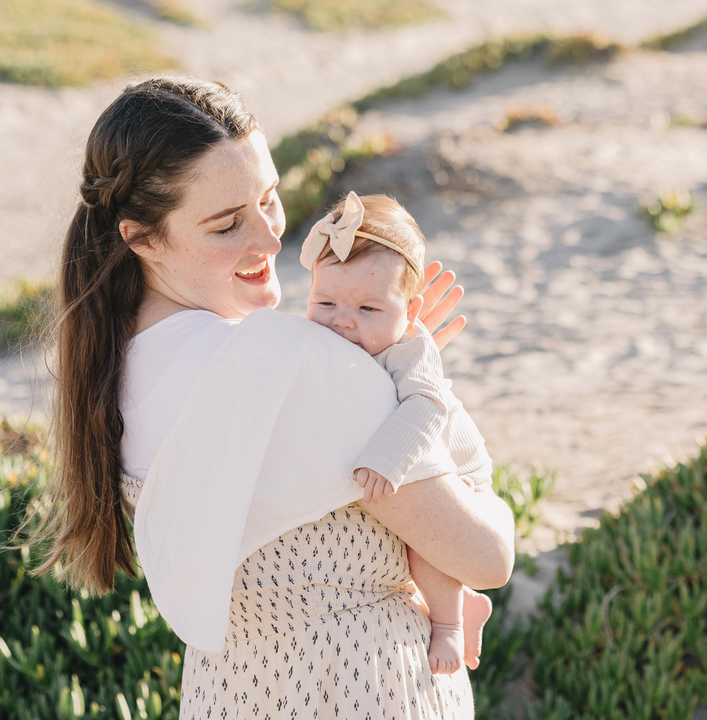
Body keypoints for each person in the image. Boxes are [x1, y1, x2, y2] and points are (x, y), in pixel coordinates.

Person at [25, 76, 515, 720]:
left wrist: (375, 385)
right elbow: (487, 557)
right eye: (228, 224)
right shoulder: (289, 364)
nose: (269, 239)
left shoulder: (117, 373)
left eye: (270, 200)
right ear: (141, 238)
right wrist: (410, 388)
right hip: (359, 694)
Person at [300, 191, 495, 675]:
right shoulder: (333, 338)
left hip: (458, 465)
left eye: (369, 309)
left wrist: (387, 459)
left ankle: (450, 622)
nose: (343, 320)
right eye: (325, 301)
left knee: (423, 543)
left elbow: (426, 405)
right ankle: (465, 604)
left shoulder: (411, 347)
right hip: (426, 456)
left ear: (410, 310)